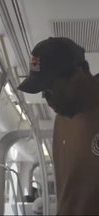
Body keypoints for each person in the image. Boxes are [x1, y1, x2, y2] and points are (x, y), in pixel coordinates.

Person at [17, 37, 99, 215]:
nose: (47, 100)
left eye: (49, 90)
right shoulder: (62, 120)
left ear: (77, 74)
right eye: (43, 93)